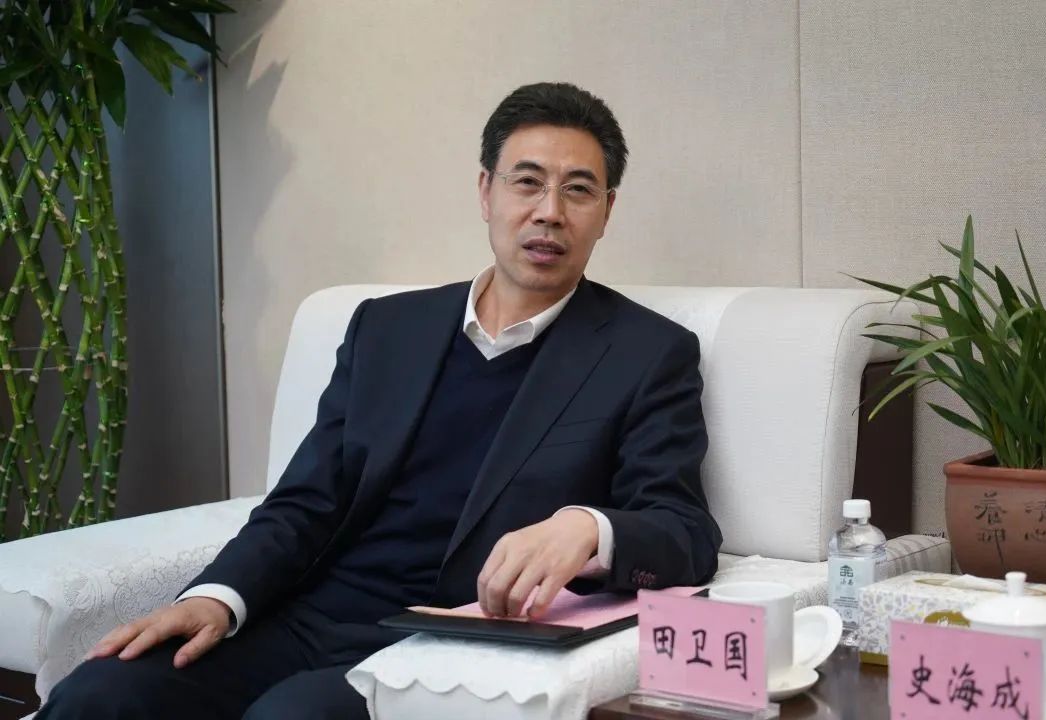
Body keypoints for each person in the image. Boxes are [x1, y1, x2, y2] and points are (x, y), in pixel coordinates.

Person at [38, 81, 722, 720]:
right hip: (312, 614)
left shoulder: (646, 353)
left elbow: (685, 533)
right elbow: (306, 501)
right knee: (100, 694)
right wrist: (218, 598)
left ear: (606, 212)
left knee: (291, 716)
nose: (549, 211)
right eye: (527, 182)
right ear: (486, 191)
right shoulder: (387, 328)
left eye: (578, 190)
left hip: (459, 636)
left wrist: (587, 528)